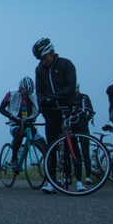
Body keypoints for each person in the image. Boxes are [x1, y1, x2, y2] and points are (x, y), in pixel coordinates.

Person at [33, 37, 88, 193]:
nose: (43, 61)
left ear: (51, 52)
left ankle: (78, 181)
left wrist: (54, 96)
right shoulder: (39, 69)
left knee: (72, 145)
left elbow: (71, 87)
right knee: (52, 146)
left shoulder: (66, 64)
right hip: (51, 112)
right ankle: (51, 181)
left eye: (44, 57)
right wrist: (43, 103)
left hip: (68, 108)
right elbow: (39, 90)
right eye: (40, 59)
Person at [0, 77, 41, 169]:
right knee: (19, 135)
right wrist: (13, 118)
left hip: (27, 122)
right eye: (24, 93)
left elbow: (39, 109)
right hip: (14, 124)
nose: (26, 95)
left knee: (42, 143)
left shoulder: (34, 95)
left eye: (28, 94)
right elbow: (1, 109)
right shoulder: (11, 93)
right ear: (20, 88)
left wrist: (32, 118)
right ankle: (14, 159)